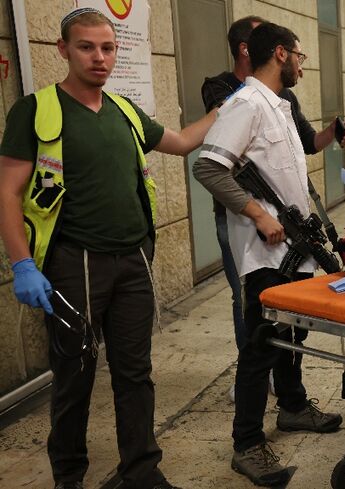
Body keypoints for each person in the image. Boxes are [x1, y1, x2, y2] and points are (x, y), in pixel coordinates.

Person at [0, 8, 217, 489]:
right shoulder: (36, 110)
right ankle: (69, 476)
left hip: (134, 261)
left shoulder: (123, 110)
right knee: (75, 374)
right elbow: (8, 192)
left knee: (135, 373)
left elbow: (181, 143)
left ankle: (141, 470)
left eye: (108, 47)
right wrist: (21, 264)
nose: (99, 58)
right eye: (86, 47)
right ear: (63, 49)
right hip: (73, 264)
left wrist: (231, 107)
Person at [192, 22, 344, 487]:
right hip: (265, 254)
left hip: (294, 250)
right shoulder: (245, 105)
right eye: (299, 55)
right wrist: (257, 214)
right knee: (260, 346)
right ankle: (246, 443)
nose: (301, 64)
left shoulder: (278, 106)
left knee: (289, 336)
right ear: (280, 53)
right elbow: (208, 166)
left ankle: (293, 407)